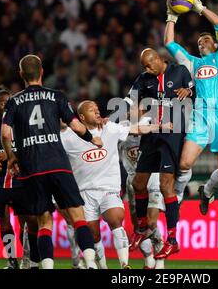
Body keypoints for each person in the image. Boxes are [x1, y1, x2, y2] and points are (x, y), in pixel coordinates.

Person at [1, 54, 100, 269]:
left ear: (21, 75)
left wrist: (11, 156)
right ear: (42, 72)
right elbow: (75, 125)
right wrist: (92, 139)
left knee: (44, 222)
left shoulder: (14, 101)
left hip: (31, 168)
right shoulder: (57, 96)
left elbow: (6, 133)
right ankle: (91, 264)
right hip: (58, 165)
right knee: (78, 218)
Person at [61, 100, 168, 268]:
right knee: (93, 234)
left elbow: (137, 129)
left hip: (109, 189)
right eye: (91, 110)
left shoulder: (110, 128)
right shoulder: (68, 135)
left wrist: (160, 127)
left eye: (97, 108)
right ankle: (102, 266)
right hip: (84, 192)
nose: (97, 112)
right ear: (81, 117)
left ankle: (125, 264)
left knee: (116, 219)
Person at [164, 0, 218, 216]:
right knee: (184, 164)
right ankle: (176, 199)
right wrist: (171, 17)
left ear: (215, 45)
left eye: (205, 40)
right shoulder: (192, 63)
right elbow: (168, 42)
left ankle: (207, 190)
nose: (201, 43)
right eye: (199, 41)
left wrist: (199, 8)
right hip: (202, 115)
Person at [125, 48, 194, 259]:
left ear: (158, 59)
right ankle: (142, 227)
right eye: (144, 66)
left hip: (172, 134)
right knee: (138, 183)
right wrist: (129, 114)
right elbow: (130, 103)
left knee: (166, 185)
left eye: (149, 64)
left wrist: (188, 92)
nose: (146, 69)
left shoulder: (180, 71)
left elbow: (196, 94)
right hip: (153, 133)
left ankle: (172, 239)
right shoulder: (144, 79)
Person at [0, 89, 40, 269]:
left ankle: (34, 262)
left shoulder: (24, 121)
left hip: (21, 179)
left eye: (9, 101)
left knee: (31, 221)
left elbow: (34, 146)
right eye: (2, 102)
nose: (6, 104)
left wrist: (12, 153)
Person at [119, 107, 165, 269]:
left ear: (143, 110)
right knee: (139, 226)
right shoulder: (120, 126)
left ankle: (160, 262)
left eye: (133, 107)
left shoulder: (152, 122)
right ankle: (149, 260)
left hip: (152, 178)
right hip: (133, 182)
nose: (128, 111)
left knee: (151, 222)